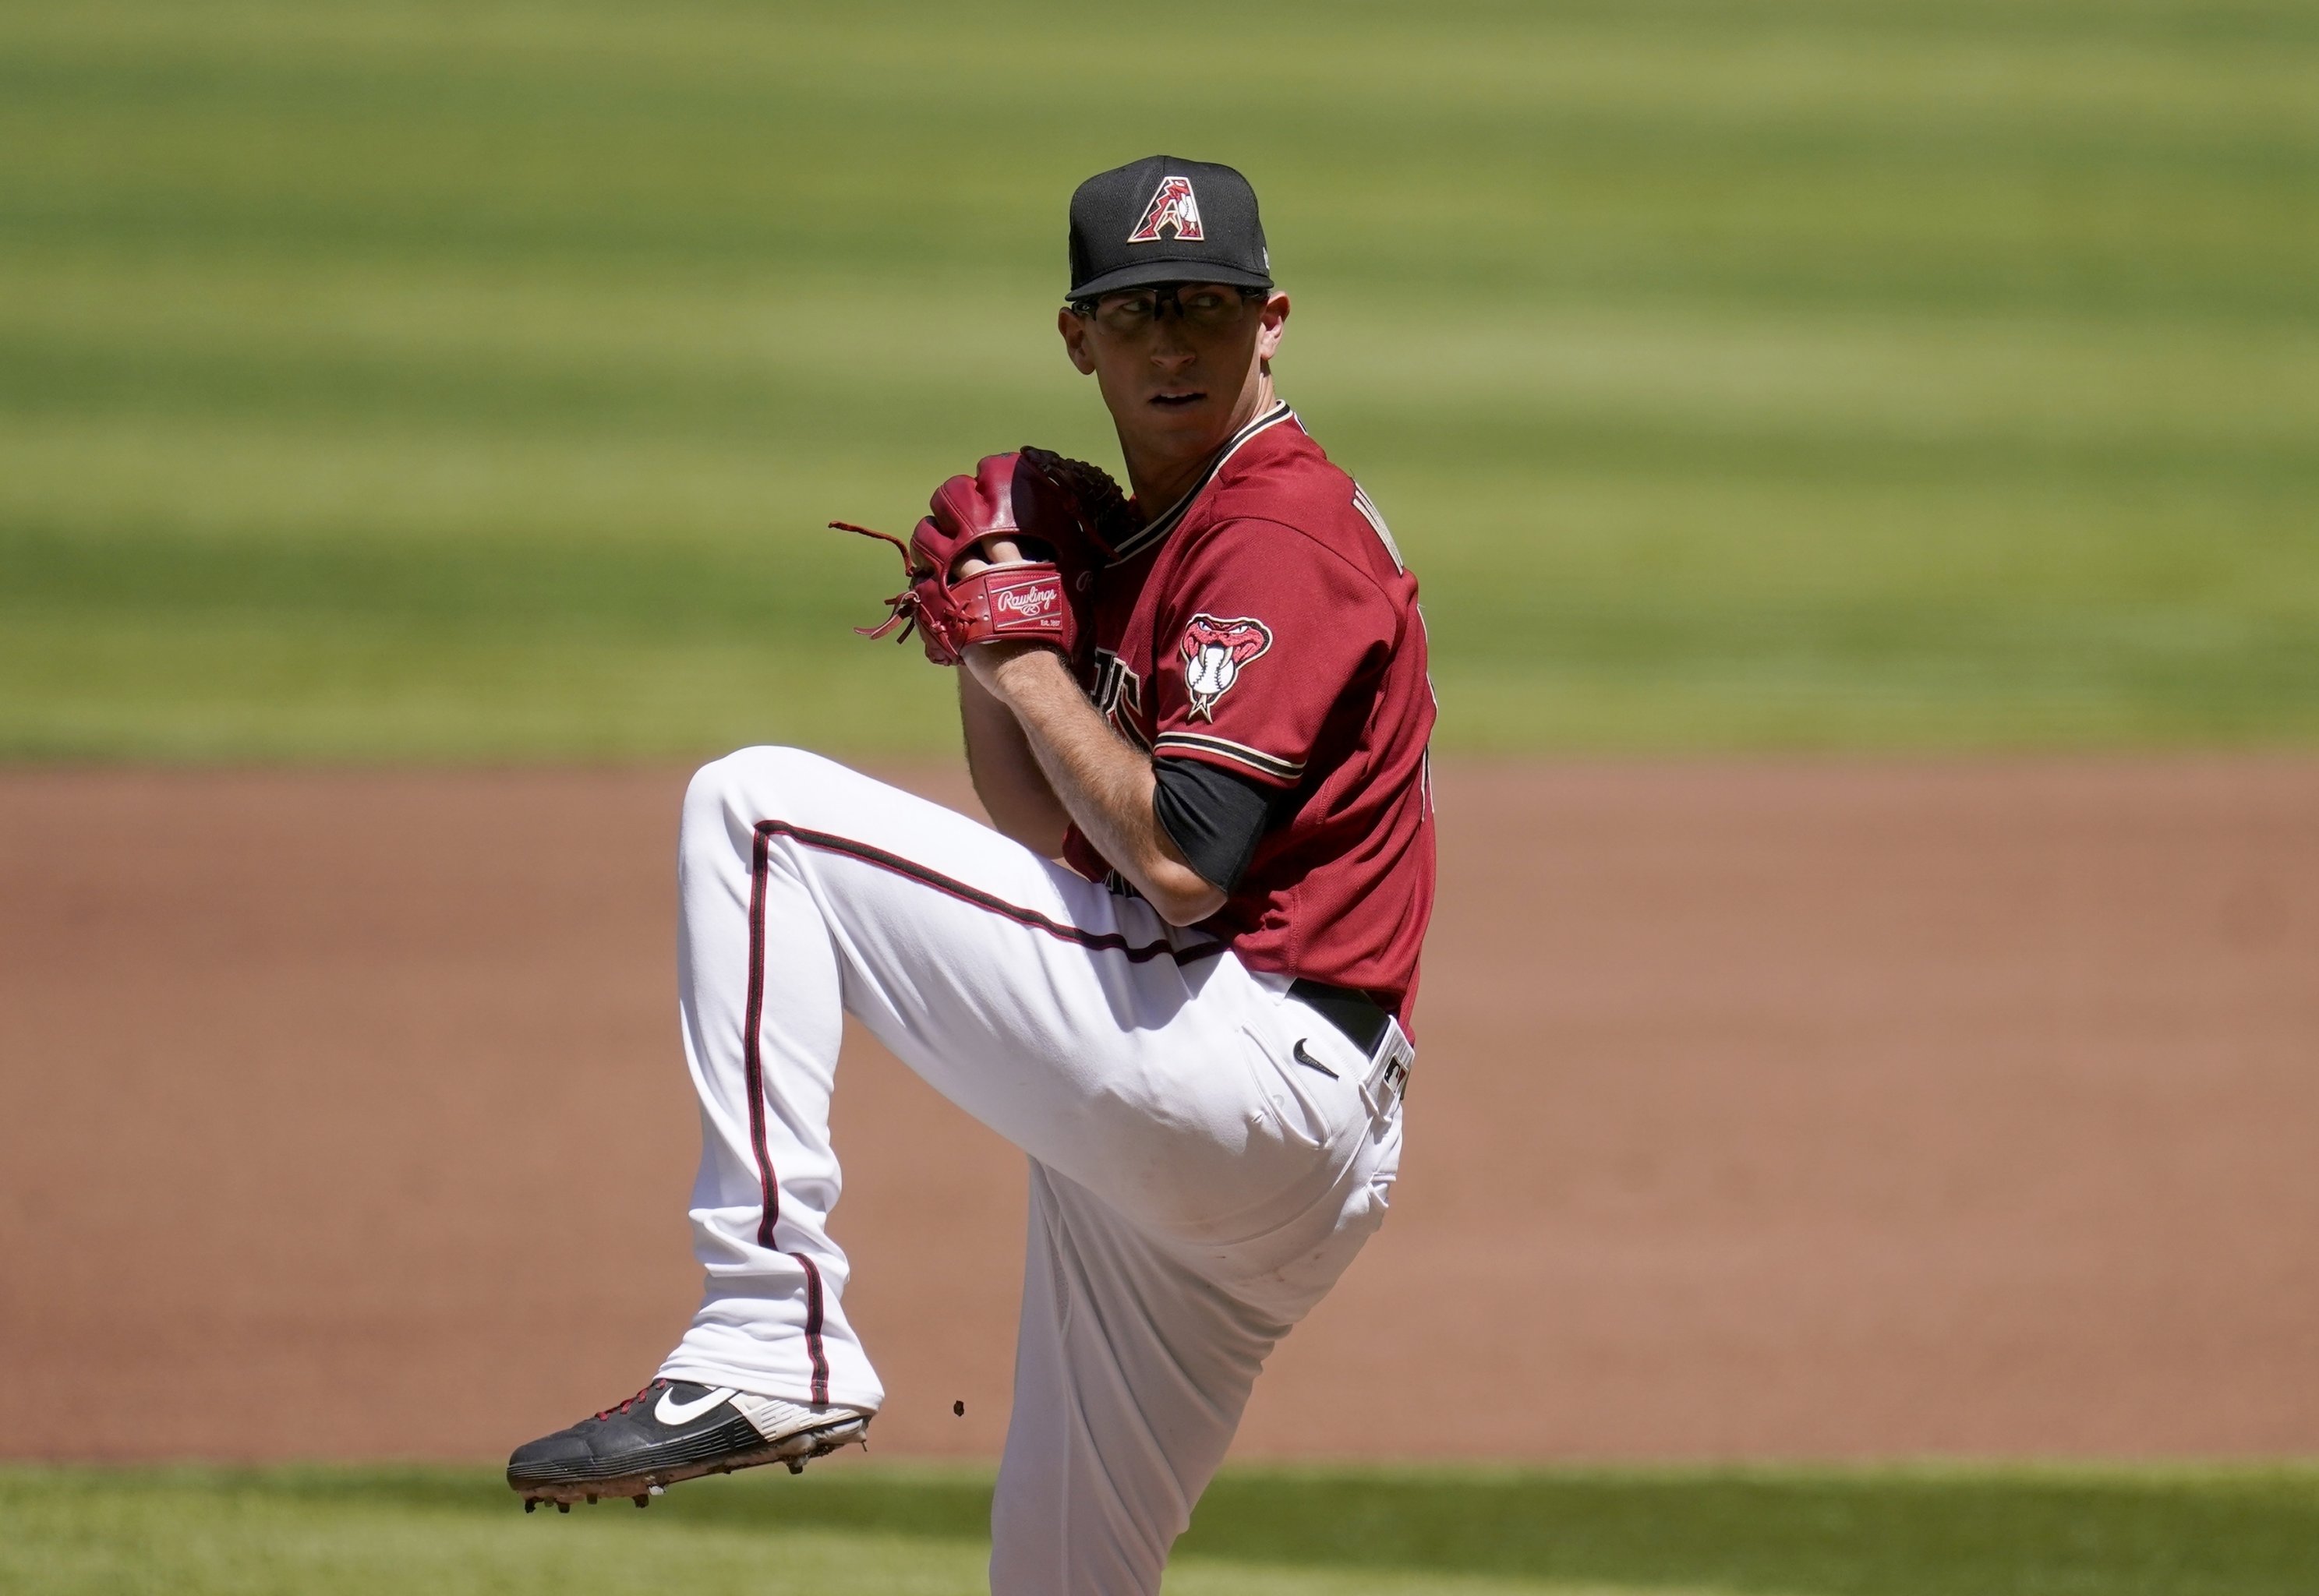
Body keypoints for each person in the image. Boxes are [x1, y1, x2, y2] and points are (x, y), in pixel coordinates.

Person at [507, 154, 1437, 1596]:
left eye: (1209, 304)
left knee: (758, 815)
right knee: (1060, 1577)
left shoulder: (1276, 532)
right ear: (1079, 338)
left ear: (1273, 320)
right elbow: (1051, 839)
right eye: (1140, 313)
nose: (1177, 343)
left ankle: (774, 1325)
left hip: (1250, 1060)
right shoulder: (1159, 534)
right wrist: (992, 654)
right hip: (1226, 1145)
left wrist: (1014, 649)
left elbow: (1181, 862)